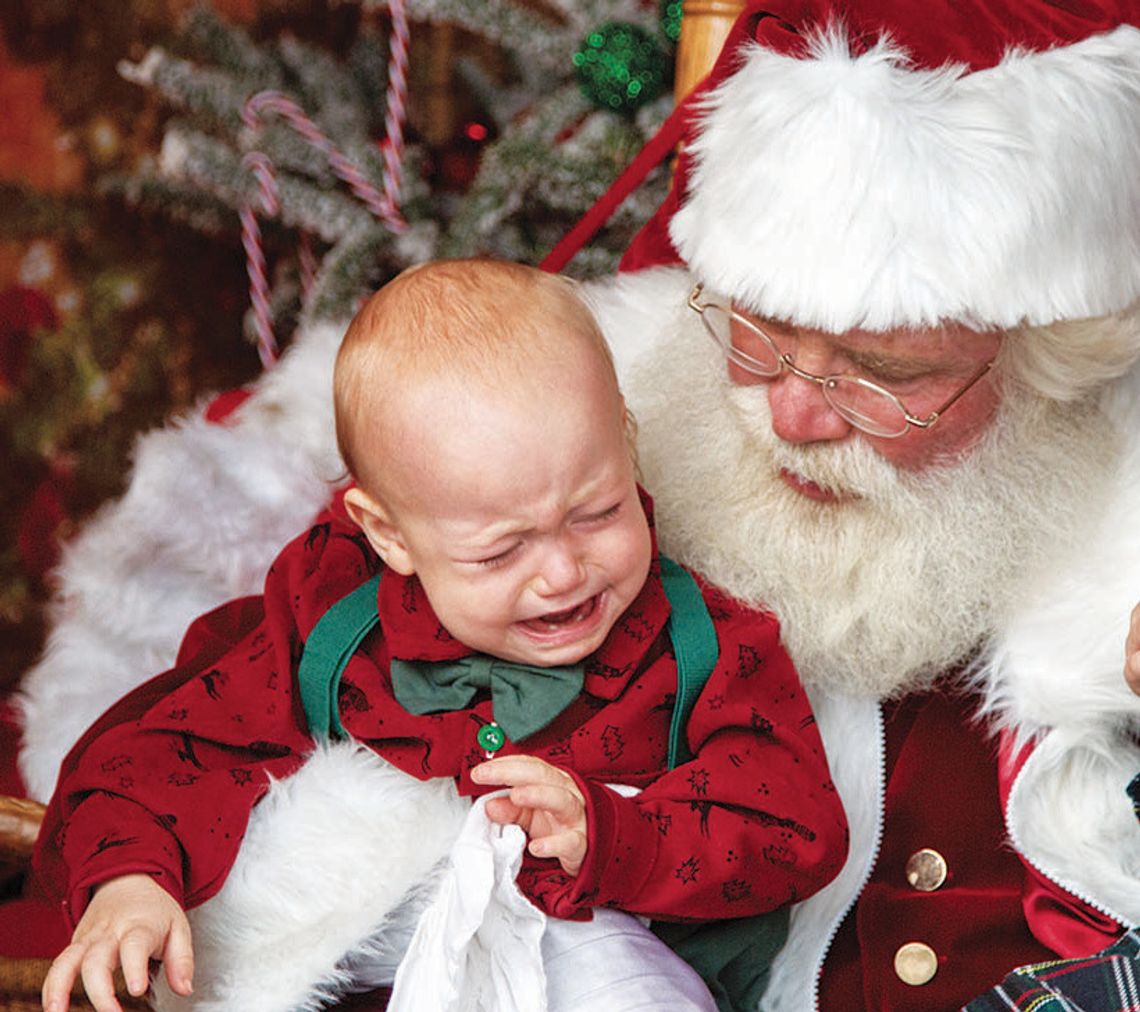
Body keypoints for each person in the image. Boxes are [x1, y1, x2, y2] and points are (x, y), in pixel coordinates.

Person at [34, 259, 848, 1012]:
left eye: (597, 511)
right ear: (387, 535)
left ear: (626, 444)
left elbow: (795, 827)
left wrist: (613, 834)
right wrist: (131, 878)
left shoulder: (704, 646)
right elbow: (172, 750)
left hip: (613, 961)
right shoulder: (340, 622)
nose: (563, 573)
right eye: (500, 550)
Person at [564, 0, 1140, 1008]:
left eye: (878, 370)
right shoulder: (586, 462)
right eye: (759, 334)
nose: (789, 415)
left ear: (1053, 362)